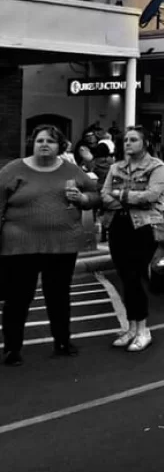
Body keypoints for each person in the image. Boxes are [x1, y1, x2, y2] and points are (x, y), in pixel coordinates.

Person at [0, 125, 100, 366]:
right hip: (20, 245)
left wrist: (83, 198)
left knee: (59, 295)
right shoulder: (13, 169)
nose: (44, 145)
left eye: (50, 141)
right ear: (32, 144)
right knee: (18, 297)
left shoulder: (71, 170)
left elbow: (95, 195)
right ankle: (12, 348)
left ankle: (62, 342)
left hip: (62, 245)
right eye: (40, 140)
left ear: (60, 146)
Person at [101, 126, 164, 353]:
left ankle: (143, 329)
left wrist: (120, 195)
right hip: (117, 225)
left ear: (144, 143)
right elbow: (104, 195)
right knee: (124, 276)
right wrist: (129, 198)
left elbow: (151, 196)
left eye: (133, 139)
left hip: (144, 226)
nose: (128, 143)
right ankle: (130, 328)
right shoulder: (115, 167)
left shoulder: (156, 167)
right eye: (125, 140)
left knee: (135, 276)